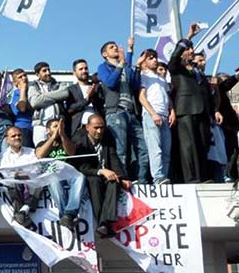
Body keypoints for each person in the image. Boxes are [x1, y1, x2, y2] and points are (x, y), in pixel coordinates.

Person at [98, 37, 148, 184]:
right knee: (121, 149)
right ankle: (123, 179)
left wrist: (134, 60)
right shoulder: (103, 67)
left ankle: (142, 179)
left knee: (142, 148)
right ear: (104, 54)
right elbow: (110, 83)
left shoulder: (124, 67)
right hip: (116, 112)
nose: (115, 48)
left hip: (131, 112)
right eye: (112, 47)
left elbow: (134, 84)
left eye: (116, 46)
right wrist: (121, 63)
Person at [71, 115, 132, 237]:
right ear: (87, 127)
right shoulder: (79, 140)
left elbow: (114, 158)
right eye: (96, 128)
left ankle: (104, 224)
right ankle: (104, 225)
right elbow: (81, 168)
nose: (99, 131)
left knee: (115, 181)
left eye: (102, 128)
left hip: (105, 173)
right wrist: (101, 171)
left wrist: (123, 177)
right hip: (90, 174)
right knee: (94, 181)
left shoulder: (107, 137)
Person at [168, 23, 214, 183]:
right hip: (185, 109)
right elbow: (174, 57)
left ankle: (202, 176)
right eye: (187, 49)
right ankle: (191, 178)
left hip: (201, 110)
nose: (191, 51)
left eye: (192, 49)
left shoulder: (196, 71)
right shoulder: (176, 67)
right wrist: (188, 37)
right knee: (188, 146)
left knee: (202, 144)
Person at [35, 118, 84, 229]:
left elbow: (71, 152)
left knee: (80, 177)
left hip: (68, 172)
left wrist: (62, 135)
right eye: (55, 126)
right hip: (53, 174)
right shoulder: (42, 143)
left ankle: (69, 213)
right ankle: (66, 215)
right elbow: (39, 155)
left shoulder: (67, 140)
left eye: (60, 126)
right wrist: (53, 138)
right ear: (48, 130)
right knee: (53, 180)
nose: (58, 129)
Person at [138, 49, 175, 185]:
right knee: (155, 148)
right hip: (151, 115)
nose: (154, 60)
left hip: (165, 115)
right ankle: (157, 176)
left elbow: (167, 97)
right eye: (150, 58)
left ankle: (164, 176)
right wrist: (153, 113)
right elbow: (142, 97)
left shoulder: (161, 78)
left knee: (166, 150)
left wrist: (172, 111)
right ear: (144, 62)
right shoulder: (144, 76)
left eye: (155, 57)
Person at [0, 126, 41, 229]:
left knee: (41, 182)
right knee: (13, 182)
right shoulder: (3, 156)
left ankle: (22, 212)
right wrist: (19, 174)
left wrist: (19, 173)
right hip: (14, 185)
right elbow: (6, 174)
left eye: (19, 135)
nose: (17, 137)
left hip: (30, 183)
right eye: (13, 136)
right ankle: (23, 213)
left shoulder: (31, 152)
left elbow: (36, 170)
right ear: (7, 140)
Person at [28, 61, 69, 146]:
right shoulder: (32, 86)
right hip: (40, 124)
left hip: (57, 123)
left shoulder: (59, 84)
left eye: (49, 70)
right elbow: (35, 102)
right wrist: (56, 96)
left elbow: (65, 93)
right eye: (44, 71)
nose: (48, 73)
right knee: (41, 150)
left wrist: (42, 97)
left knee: (59, 148)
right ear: (37, 74)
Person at [65, 59, 104, 137]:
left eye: (86, 68)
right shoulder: (70, 89)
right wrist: (87, 100)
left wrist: (93, 96)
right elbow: (70, 108)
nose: (84, 71)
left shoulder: (96, 87)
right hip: (79, 128)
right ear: (74, 73)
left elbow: (102, 105)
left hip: (97, 128)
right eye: (81, 69)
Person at [10, 69, 35, 149]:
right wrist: (23, 89)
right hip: (24, 128)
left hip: (35, 127)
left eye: (25, 75)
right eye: (20, 77)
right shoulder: (16, 95)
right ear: (15, 83)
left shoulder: (33, 91)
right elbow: (22, 108)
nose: (24, 78)